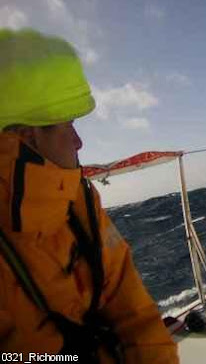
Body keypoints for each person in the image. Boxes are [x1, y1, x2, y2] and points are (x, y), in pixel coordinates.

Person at [0, 28, 179, 363]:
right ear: (25, 138)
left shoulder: (78, 198)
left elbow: (133, 309)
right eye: (68, 125)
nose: (79, 142)